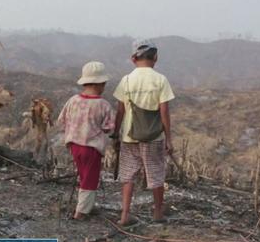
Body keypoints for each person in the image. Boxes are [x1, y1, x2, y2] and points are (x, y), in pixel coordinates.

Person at [113, 39, 175, 225]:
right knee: (156, 174)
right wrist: (169, 139)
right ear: (155, 57)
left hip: (129, 137)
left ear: (133, 58)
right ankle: (157, 213)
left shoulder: (126, 80)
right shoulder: (160, 80)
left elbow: (120, 111)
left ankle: (125, 215)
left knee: (128, 175)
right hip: (154, 137)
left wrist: (116, 134)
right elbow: (164, 112)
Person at [58, 61, 116, 220]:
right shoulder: (103, 105)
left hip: (74, 146)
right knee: (90, 179)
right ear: (100, 84)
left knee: (83, 175)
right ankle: (81, 212)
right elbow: (109, 127)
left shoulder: (73, 100)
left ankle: (85, 206)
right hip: (91, 148)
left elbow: (62, 121)